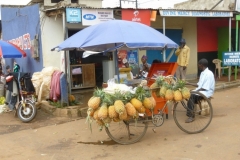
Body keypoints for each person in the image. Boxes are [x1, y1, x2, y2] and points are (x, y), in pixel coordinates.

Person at [185, 59, 215, 123]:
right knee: (189, 94)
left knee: (192, 95)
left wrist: (195, 91)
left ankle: (191, 116)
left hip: (207, 92)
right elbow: (199, 85)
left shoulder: (209, 74)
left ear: (202, 65)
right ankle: (192, 109)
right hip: (202, 90)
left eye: (199, 64)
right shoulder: (202, 73)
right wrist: (188, 83)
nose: (198, 66)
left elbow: (205, 88)